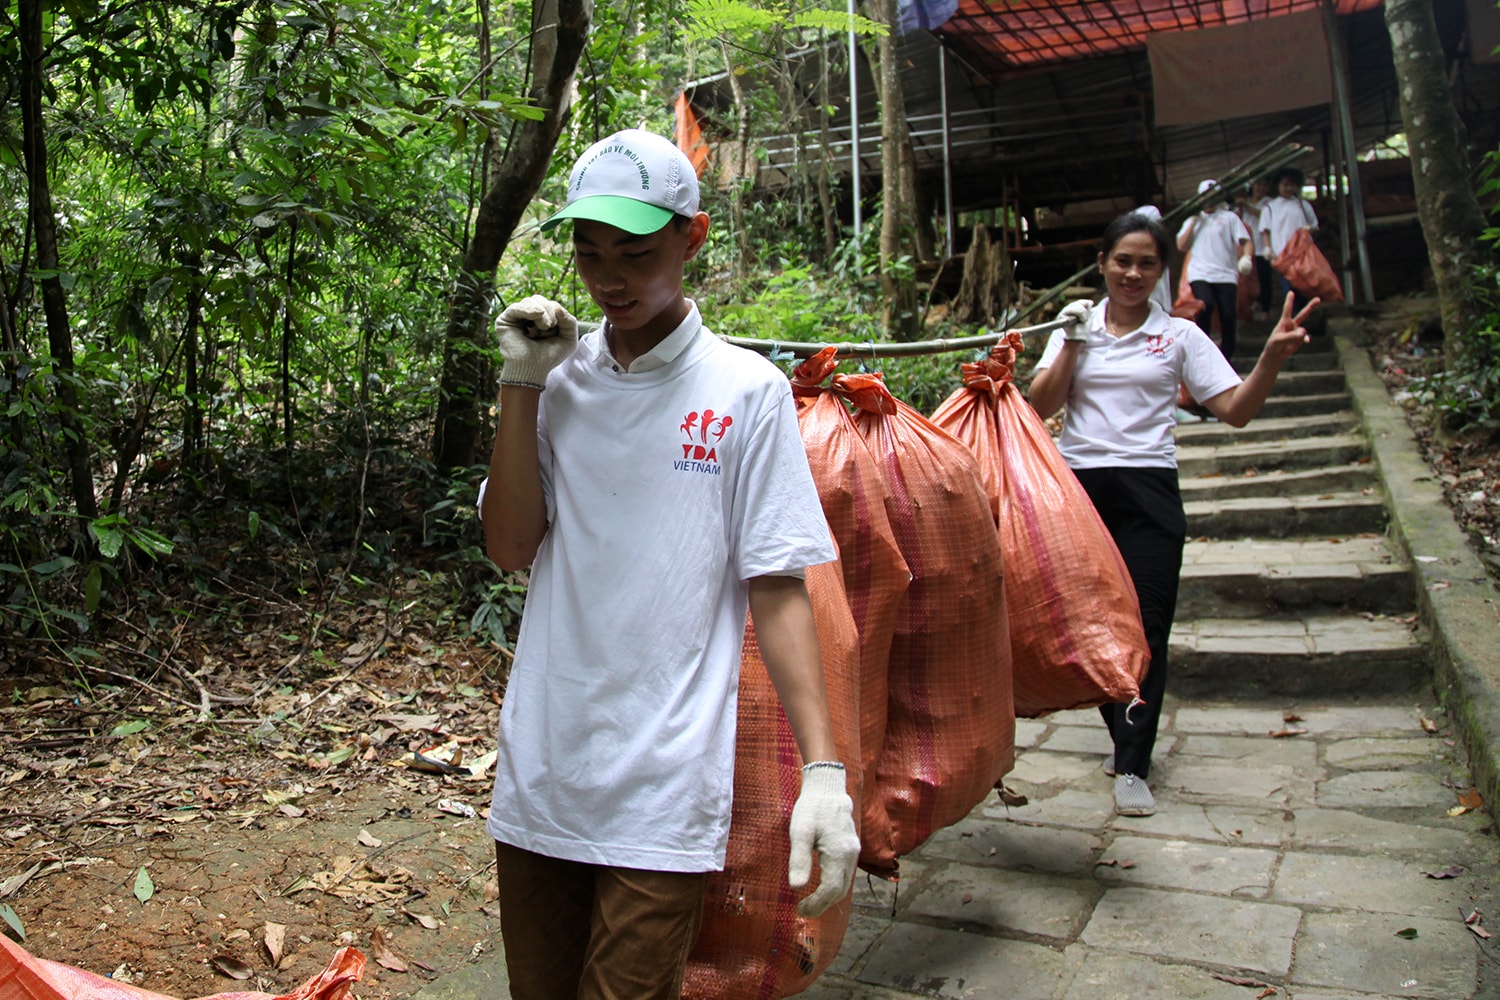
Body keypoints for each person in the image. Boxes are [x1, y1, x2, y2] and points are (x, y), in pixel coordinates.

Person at [477, 128, 860, 999]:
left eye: (636, 253)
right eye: (588, 251)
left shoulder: (745, 391)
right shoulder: (557, 375)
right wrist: (519, 385)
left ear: (693, 238)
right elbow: (508, 547)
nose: (609, 277)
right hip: (544, 761)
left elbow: (777, 582)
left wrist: (825, 772)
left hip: (664, 777)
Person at [1027, 211, 1317, 817]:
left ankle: (1133, 764)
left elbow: (1234, 409)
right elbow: (1041, 405)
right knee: (1091, 626)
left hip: (1151, 491)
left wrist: (1271, 357)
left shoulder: (1180, 335)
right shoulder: (1072, 326)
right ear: (1103, 263)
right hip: (1078, 490)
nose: (1133, 274)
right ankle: (1124, 735)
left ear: (1164, 271)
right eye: (1122, 261)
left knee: (1148, 627)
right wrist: (1074, 341)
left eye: (1147, 263)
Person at [1175, 179, 1254, 359]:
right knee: (1205, 305)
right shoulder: (1192, 219)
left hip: (1225, 274)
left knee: (1228, 314)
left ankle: (1227, 355)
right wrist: (1194, 221)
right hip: (1200, 272)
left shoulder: (1229, 218)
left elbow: (1245, 240)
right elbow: (1181, 245)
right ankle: (1203, 349)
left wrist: (1246, 257)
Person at [1259, 166, 1320, 315]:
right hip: (1282, 255)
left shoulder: (1303, 205)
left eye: (1292, 185)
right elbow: (1265, 230)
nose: (1288, 188)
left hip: (1302, 255)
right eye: (1285, 185)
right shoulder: (1270, 208)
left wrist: (1309, 229)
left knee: (1303, 289)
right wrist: (1267, 248)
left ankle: (1303, 320)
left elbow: (1315, 225)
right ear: (1278, 186)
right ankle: (1293, 319)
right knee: (1288, 290)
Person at [1239, 177, 1276, 319]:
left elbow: (1263, 216)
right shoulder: (1245, 202)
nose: (1260, 188)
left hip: (1262, 246)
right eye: (1258, 185)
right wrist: (1242, 206)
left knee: (1264, 279)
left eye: (1264, 185)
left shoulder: (1269, 203)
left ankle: (1265, 308)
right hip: (1246, 248)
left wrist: (1247, 207)